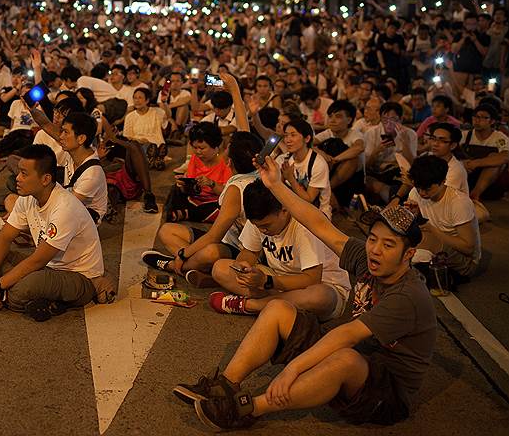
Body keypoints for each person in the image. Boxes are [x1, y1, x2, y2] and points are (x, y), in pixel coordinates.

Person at [174, 157, 435, 431]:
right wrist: (276, 185)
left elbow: (346, 335)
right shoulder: (366, 258)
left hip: (385, 391)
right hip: (355, 354)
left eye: (388, 245)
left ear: (408, 254)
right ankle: (223, 387)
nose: (376, 250)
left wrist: (293, 369)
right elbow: (319, 225)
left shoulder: (408, 295)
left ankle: (246, 409)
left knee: (343, 357)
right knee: (277, 309)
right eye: (373, 239)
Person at [0, 144, 105, 321]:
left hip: (79, 278)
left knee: (26, 286)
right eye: (19, 172)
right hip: (48, 268)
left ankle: (4, 296)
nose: (17, 178)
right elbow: (4, 238)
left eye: (24, 174)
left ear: (45, 179)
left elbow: (38, 260)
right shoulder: (27, 198)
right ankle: (7, 293)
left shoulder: (65, 208)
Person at [206, 179, 351, 319]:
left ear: (284, 209)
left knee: (320, 296)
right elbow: (249, 252)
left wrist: (266, 282)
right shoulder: (260, 218)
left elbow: (312, 279)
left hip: (320, 285)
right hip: (278, 281)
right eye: (258, 226)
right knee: (220, 268)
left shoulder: (303, 224)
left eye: (267, 226)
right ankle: (279, 304)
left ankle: (250, 305)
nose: (262, 230)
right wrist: (242, 267)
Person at [145, 132, 263, 286]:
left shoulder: (237, 188)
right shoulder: (261, 174)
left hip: (244, 250)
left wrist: (182, 255)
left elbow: (214, 235)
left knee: (210, 252)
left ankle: (173, 265)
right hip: (229, 239)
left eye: (228, 146)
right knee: (167, 230)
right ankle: (201, 270)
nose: (225, 148)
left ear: (230, 161)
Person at [406, 155, 481, 279]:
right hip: (433, 248)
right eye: (419, 188)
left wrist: (432, 230)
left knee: (423, 238)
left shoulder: (458, 202)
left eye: (427, 189)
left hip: (465, 262)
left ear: (443, 181)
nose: (422, 193)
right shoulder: (416, 193)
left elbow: (468, 248)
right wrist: (414, 216)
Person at [165, 121, 231, 223]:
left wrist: (211, 183)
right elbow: (190, 189)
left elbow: (226, 193)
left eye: (202, 148)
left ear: (216, 147)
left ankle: (186, 214)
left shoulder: (225, 165)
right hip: (194, 198)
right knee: (175, 189)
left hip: (212, 202)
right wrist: (184, 184)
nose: (198, 151)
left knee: (222, 209)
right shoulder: (195, 158)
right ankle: (186, 213)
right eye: (195, 148)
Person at [313, 100, 365, 208]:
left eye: (338, 116)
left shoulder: (355, 134)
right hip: (330, 175)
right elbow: (308, 144)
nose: (332, 120)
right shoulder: (328, 133)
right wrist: (322, 153)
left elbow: (359, 147)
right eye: (330, 116)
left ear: (349, 120)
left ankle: (325, 189)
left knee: (352, 159)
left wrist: (335, 160)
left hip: (352, 182)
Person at [276, 119, 332, 218]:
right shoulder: (284, 159)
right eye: (286, 135)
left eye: (293, 135)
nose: (288, 140)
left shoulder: (318, 163)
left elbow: (309, 199)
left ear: (307, 139)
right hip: (292, 208)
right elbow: (277, 191)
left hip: (317, 212)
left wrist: (290, 179)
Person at [364, 102, 417, 203]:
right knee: (368, 181)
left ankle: (392, 198)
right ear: (380, 118)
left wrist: (405, 143)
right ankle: (393, 199)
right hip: (376, 172)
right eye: (385, 119)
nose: (388, 123)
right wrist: (377, 151)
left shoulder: (410, 134)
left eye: (393, 119)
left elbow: (412, 164)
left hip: (399, 174)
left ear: (401, 119)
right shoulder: (371, 133)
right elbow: (366, 166)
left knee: (410, 181)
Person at [461, 103, 509, 200]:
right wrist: (462, 163)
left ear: (492, 121)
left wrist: (476, 163)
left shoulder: (499, 137)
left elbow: (505, 157)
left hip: (492, 182)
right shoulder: (465, 135)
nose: (477, 120)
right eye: (475, 117)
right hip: (468, 176)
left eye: (483, 118)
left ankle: (475, 194)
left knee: (495, 158)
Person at [122, 87, 168, 169]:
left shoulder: (157, 112)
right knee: (141, 146)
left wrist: (164, 103)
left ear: (147, 100)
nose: (137, 100)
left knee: (154, 146)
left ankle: (154, 158)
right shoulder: (130, 116)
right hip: (139, 143)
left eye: (140, 98)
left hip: (156, 143)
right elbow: (127, 136)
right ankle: (154, 159)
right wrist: (139, 140)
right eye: (135, 98)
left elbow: (167, 116)